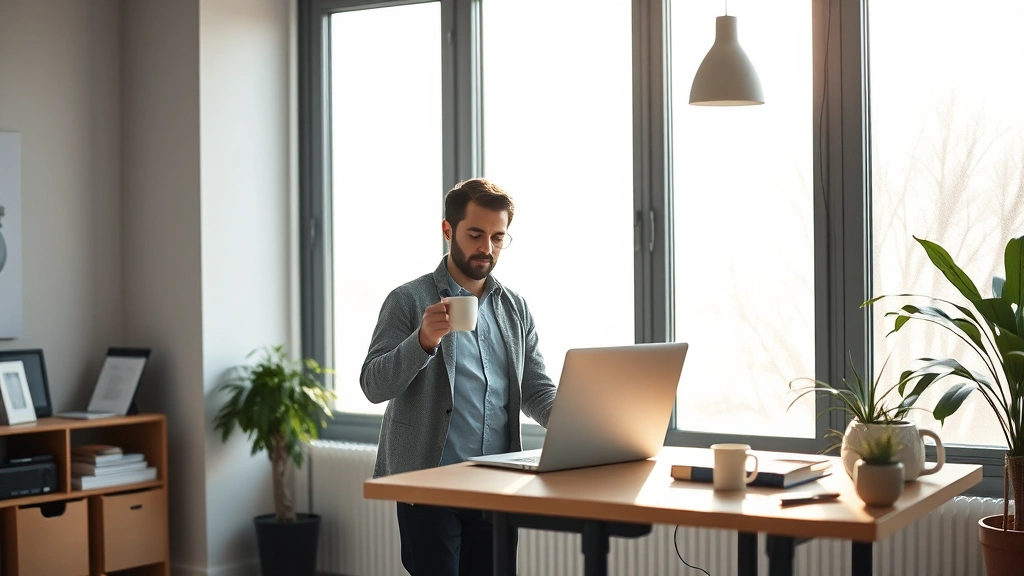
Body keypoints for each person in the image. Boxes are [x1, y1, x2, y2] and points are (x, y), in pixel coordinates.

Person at [361, 178, 557, 576]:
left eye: (498, 237)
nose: (487, 248)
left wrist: (583, 421)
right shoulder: (408, 300)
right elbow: (372, 385)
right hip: (429, 486)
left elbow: (535, 389)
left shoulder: (515, 308)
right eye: (475, 234)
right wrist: (421, 341)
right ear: (448, 230)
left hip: (496, 486)